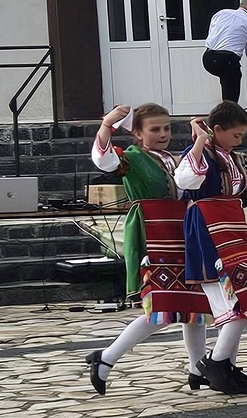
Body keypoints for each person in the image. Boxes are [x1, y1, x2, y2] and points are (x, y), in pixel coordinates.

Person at [84, 103, 210, 393]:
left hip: (180, 232)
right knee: (163, 307)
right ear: (138, 133)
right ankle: (106, 357)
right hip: (154, 232)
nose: (163, 134)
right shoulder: (131, 157)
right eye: (154, 129)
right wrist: (107, 125)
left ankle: (197, 369)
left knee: (194, 304)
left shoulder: (172, 159)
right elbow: (104, 160)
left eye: (166, 128)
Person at [176, 102, 247, 394]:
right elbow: (186, 180)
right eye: (235, 135)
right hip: (208, 229)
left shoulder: (234, 159)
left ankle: (224, 365)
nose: (239, 141)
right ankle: (217, 365)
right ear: (217, 130)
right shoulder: (199, 155)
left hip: (233, 228)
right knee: (234, 300)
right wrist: (200, 141)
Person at [201, 0, 247, 106]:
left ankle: (226, 108)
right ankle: (229, 111)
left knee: (225, 76)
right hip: (228, 60)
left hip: (208, 58)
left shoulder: (220, 14)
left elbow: (213, 35)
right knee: (231, 89)